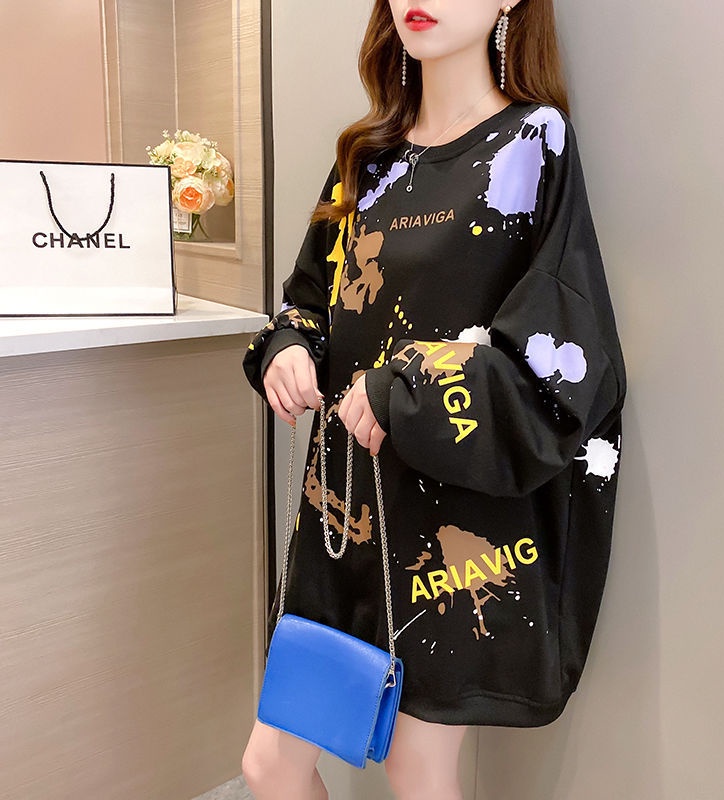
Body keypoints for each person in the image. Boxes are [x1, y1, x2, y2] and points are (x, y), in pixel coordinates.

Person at [241, 1, 626, 797]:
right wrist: (287, 349)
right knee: (270, 766)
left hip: (447, 542)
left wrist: (404, 388)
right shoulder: (367, 157)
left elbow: (561, 353)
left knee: (416, 771)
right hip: (341, 521)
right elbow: (309, 302)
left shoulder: (534, 142)